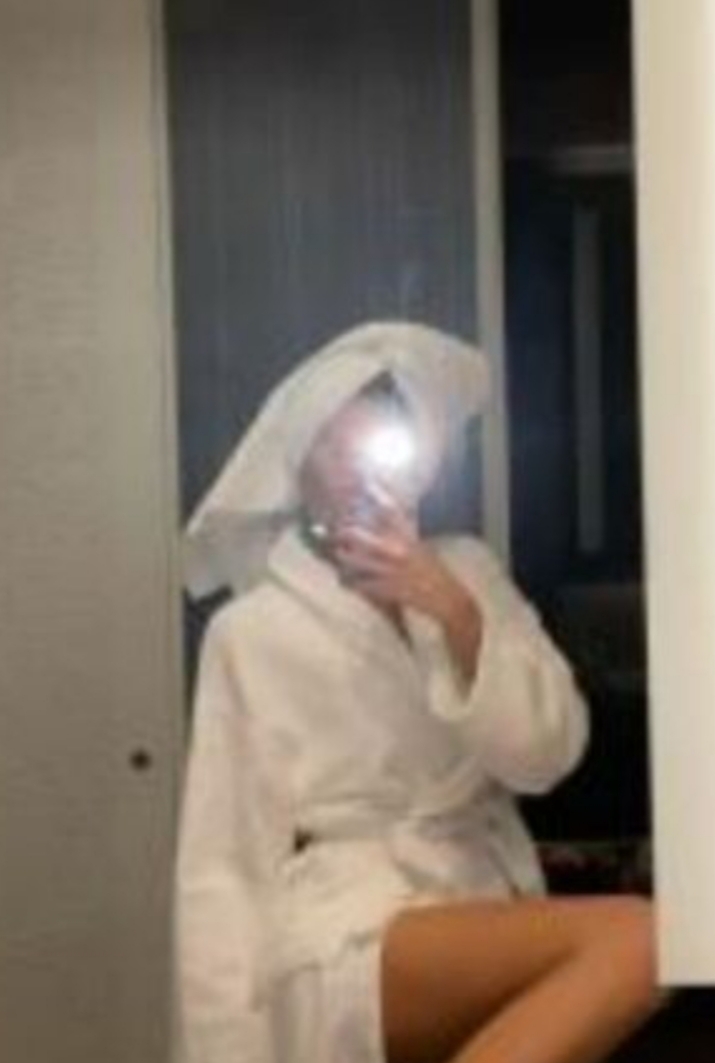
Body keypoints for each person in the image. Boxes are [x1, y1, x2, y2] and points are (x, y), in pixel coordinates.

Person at [174, 321, 665, 1063]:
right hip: (346, 926)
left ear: (418, 459)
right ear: (298, 469)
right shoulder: (251, 630)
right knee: (643, 938)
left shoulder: (468, 574)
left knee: (644, 945)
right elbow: (221, 867)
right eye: (331, 447)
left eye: (374, 445)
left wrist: (452, 609)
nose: (354, 472)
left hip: (477, 897)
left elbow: (547, 756)